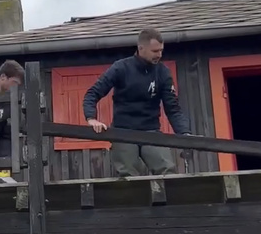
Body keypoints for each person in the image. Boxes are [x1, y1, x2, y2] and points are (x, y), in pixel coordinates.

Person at [82, 28, 194, 177]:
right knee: (129, 174)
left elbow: (172, 108)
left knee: (167, 170)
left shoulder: (163, 72)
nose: (159, 55)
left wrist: (184, 133)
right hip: (123, 131)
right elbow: (93, 93)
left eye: (161, 50)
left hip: (151, 130)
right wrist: (91, 118)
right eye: (155, 51)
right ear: (141, 48)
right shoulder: (121, 68)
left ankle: (167, 200)